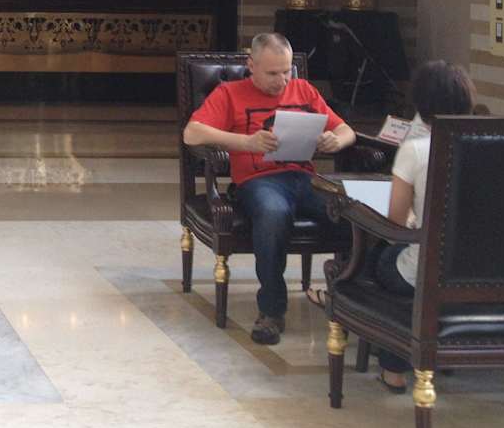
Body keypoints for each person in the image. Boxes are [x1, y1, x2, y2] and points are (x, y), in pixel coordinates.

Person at [183, 32, 356, 344]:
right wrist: (245, 142)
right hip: (257, 181)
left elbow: (346, 131)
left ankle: (351, 303)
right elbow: (192, 133)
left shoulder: (304, 90)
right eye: (273, 73)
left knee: (354, 213)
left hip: (304, 178)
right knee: (274, 213)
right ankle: (272, 310)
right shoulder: (230, 93)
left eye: (286, 71)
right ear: (251, 65)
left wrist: (336, 140)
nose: (282, 80)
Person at [365, 60, 476, 393]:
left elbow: (395, 223)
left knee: (378, 262)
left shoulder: (415, 150)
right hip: (478, 269)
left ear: (420, 103)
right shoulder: (489, 142)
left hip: (428, 270)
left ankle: (393, 368)